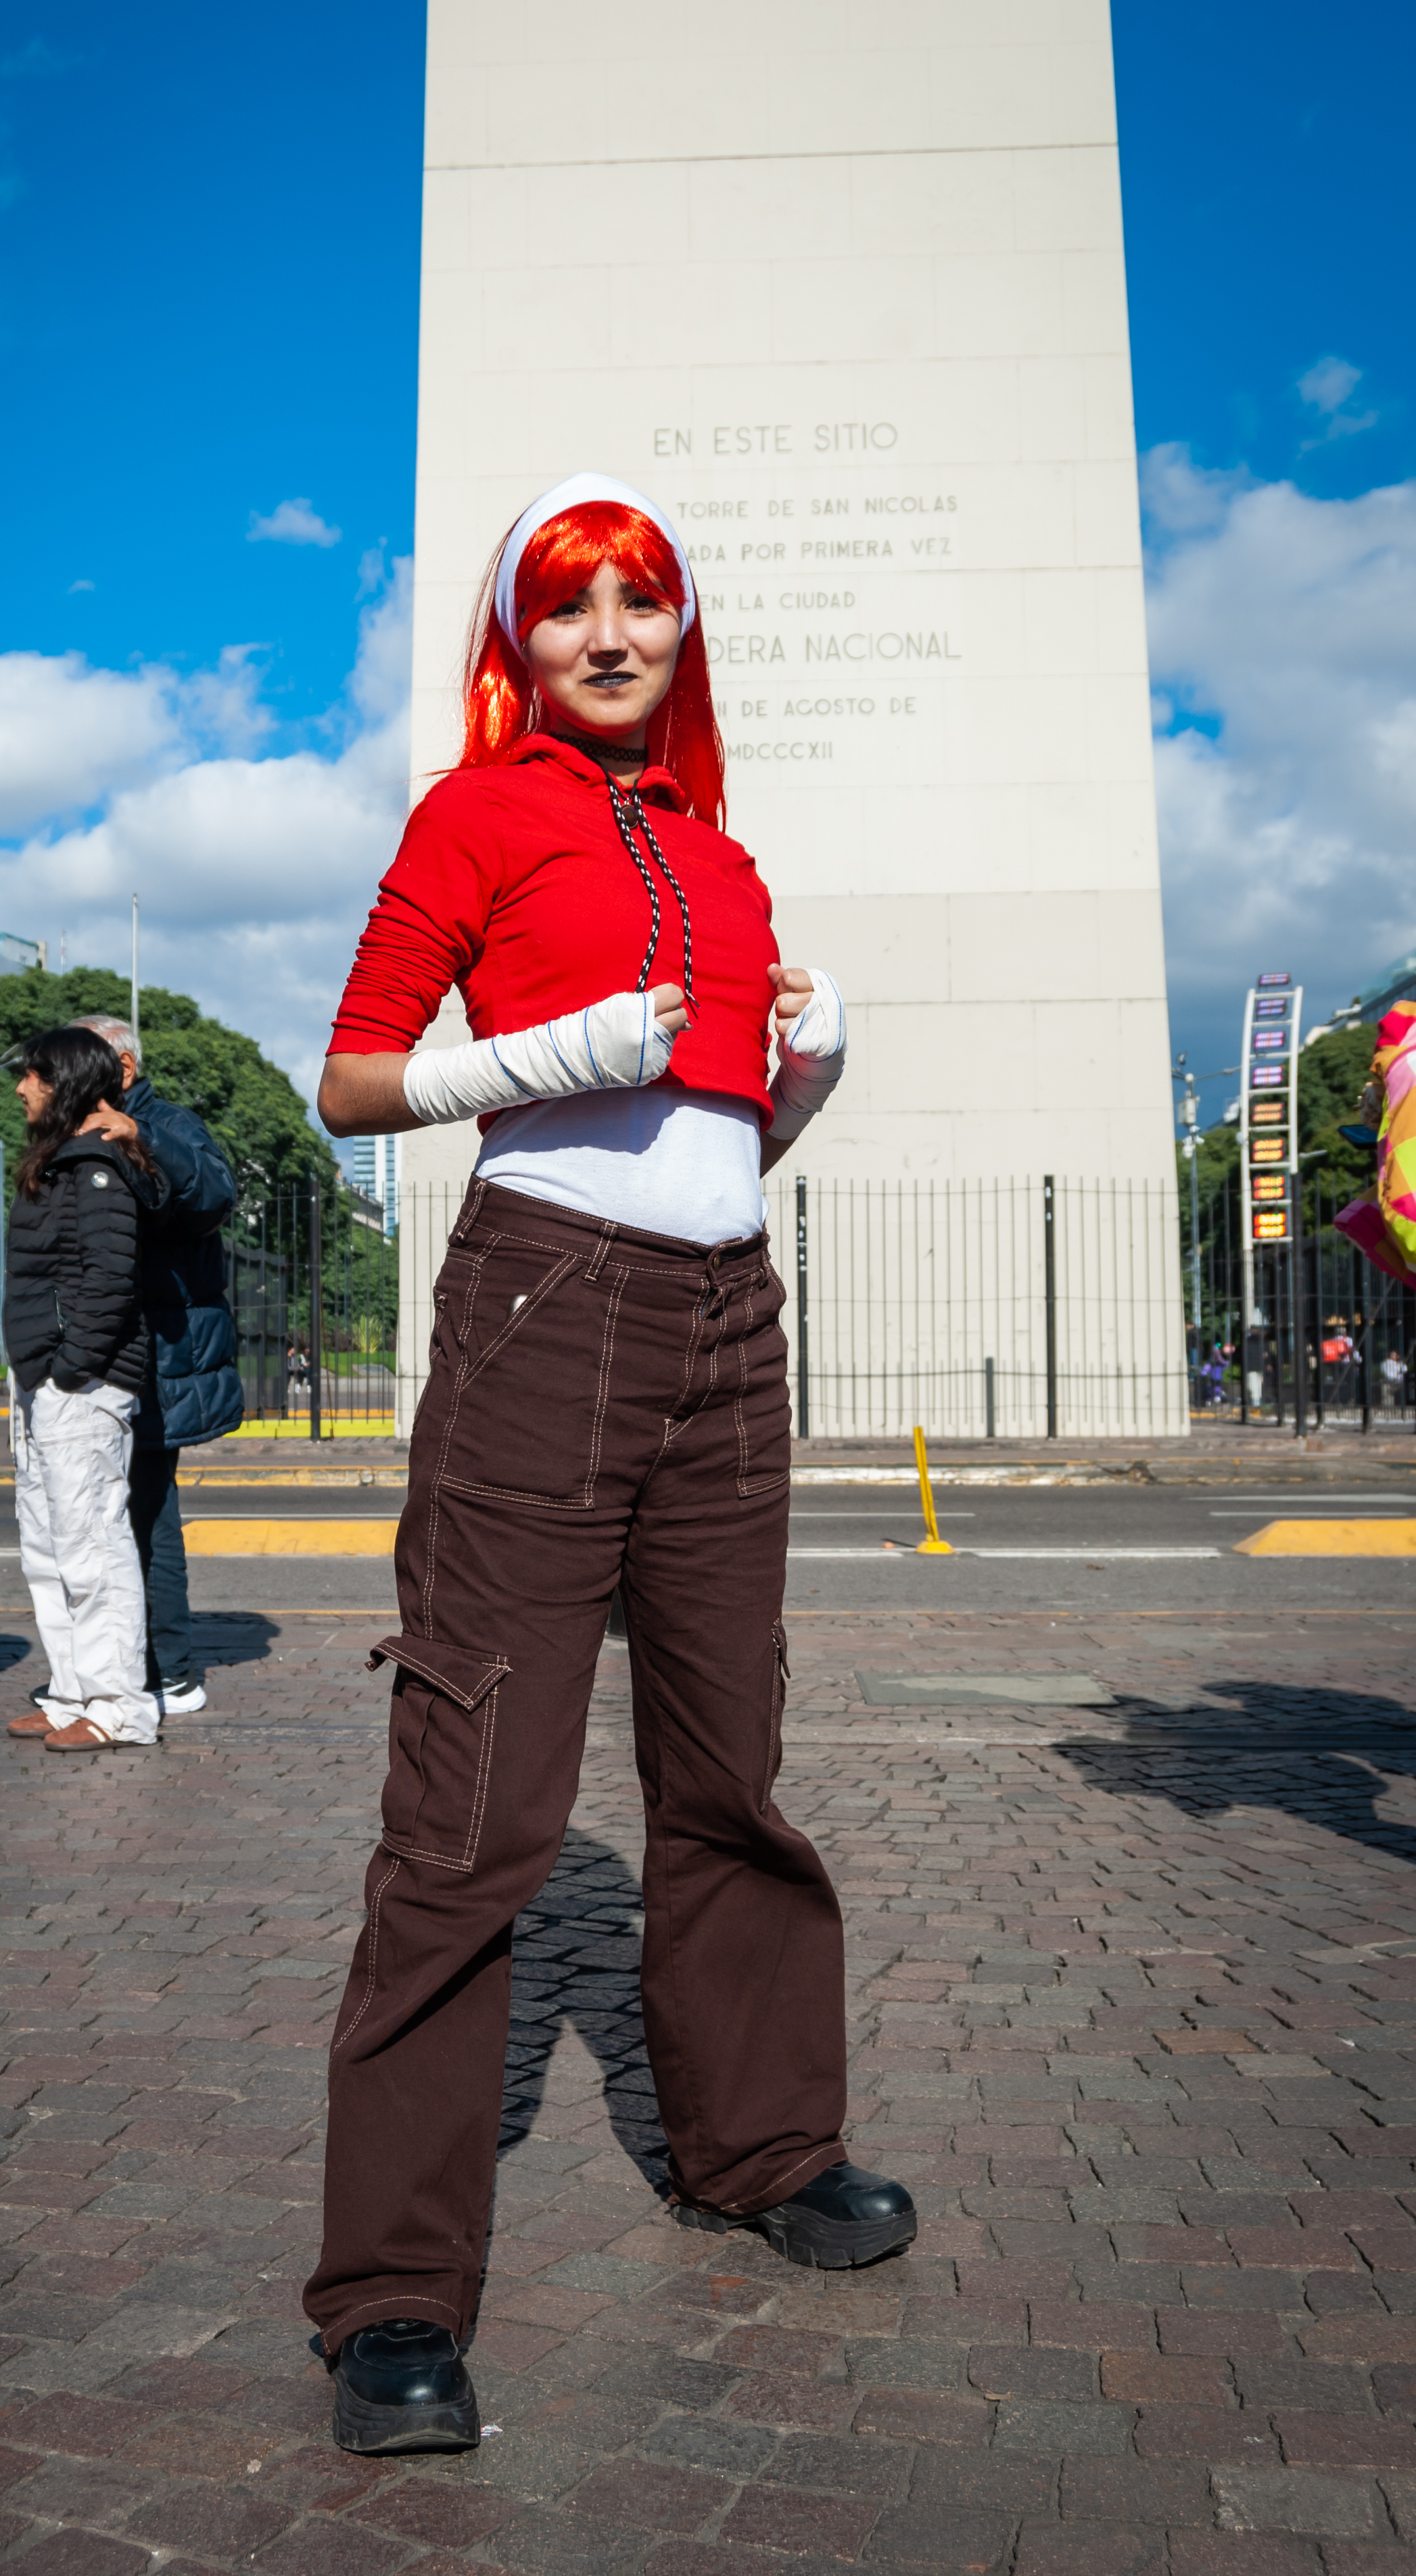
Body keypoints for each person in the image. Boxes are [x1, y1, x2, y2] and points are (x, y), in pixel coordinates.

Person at [304, 472, 916, 2456]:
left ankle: (763, 2149)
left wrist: (803, 1072)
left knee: (727, 1768)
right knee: (478, 1806)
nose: (612, 637)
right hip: (544, 1305)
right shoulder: (475, 816)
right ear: (521, 643)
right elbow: (353, 1074)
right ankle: (393, 2293)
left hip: (729, 1319)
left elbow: (729, 1143)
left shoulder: (726, 861)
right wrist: (534, 1057)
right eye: (571, 610)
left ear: (679, 631)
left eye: (642, 603)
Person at [62, 1012, 243, 1713]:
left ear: (124, 1068)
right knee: (101, 1513)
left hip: (156, 1353)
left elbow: (212, 1193)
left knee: (146, 1512)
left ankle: (168, 1668)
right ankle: (124, 1664)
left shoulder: (162, 1122)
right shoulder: (80, 1129)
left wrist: (146, 1138)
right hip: (111, 1349)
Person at [0, 1028, 162, 1753]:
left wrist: (72, 1367)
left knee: (92, 1544)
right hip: (46, 1377)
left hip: (79, 1382)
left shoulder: (95, 1165)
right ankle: (71, 1691)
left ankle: (118, 1704)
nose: (20, 1089)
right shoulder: (62, 1162)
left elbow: (109, 1279)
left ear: (60, 1080)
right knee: (49, 1545)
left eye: (31, 1076)